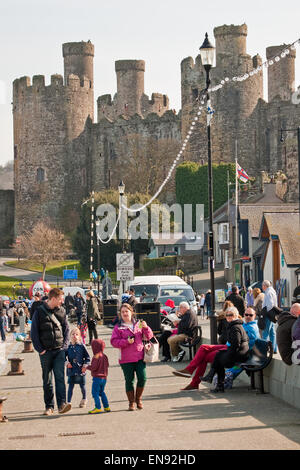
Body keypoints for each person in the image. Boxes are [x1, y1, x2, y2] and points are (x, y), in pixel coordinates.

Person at [173, 307, 258, 391]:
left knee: (204, 357)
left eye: (250, 315)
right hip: (229, 347)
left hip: (233, 350)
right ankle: (191, 374)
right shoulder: (242, 324)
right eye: (246, 314)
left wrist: (227, 351)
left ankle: (193, 380)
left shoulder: (250, 328)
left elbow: (240, 344)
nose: (247, 316)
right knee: (203, 348)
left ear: (254, 316)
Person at [30, 288, 71, 416]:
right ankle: (49, 406)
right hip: (45, 352)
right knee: (47, 380)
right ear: (53, 298)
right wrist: (40, 350)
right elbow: (34, 332)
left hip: (59, 350)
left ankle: (62, 405)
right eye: (60, 299)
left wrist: (64, 347)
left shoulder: (62, 311)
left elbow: (66, 330)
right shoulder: (39, 311)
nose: (62, 301)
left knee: (60, 378)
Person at [110, 303, 153, 411]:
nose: (124, 313)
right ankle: (131, 402)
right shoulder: (118, 327)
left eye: (126, 311)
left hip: (140, 356)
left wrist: (146, 327)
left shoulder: (139, 324)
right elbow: (114, 342)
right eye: (122, 312)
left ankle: (138, 399)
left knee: (142, 378)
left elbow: (149, 336)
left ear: (131, 312)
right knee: (129, 380)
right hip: (126, 358)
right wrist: (126, 342)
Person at [201, 306, 249, 392]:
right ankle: (216, 382)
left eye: (230, 315)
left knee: (218, 358)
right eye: (227, 315)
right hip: (240, 353)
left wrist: (228, 355)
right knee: (218, 355)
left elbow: (235, 345)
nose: (228, 317)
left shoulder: (235, 327)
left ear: (235, 316)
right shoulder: (235, 325)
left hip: (239, 355)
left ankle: (214, 380)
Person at [66, 327, 90, 409]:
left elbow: (87, 358)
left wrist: (85, 366)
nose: (74, 336)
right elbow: (63, 357)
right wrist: (67, 363)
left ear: (79, 336)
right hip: (71, 370)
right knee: (70, 386)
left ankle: (84, 399)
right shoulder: (68, 347)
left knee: (82, 386)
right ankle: (68, 402)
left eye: (77, 334)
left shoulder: (82, 346)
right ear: (70, 336)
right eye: (73, 334)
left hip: (80, 369)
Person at [86, 338, 110, 414]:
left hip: (97, 378)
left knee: (95, 393)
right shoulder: (105, 356)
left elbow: (93, 367)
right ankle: (106, 407)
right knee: (102, 392)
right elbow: (107, 365)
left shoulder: (96, 356)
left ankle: (98, 407)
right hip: (104, 378)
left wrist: (86, 367)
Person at [261, 280, 278, 353]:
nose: (262, 287)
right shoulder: (272, 291)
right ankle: (274, 349)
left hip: (269, 315)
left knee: (265, 333)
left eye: (262, 285)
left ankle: (264, 350)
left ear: (265, 286)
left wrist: (265, 312)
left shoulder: (268, 292)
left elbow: (270, 305)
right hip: (272, 314)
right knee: (272, 333)